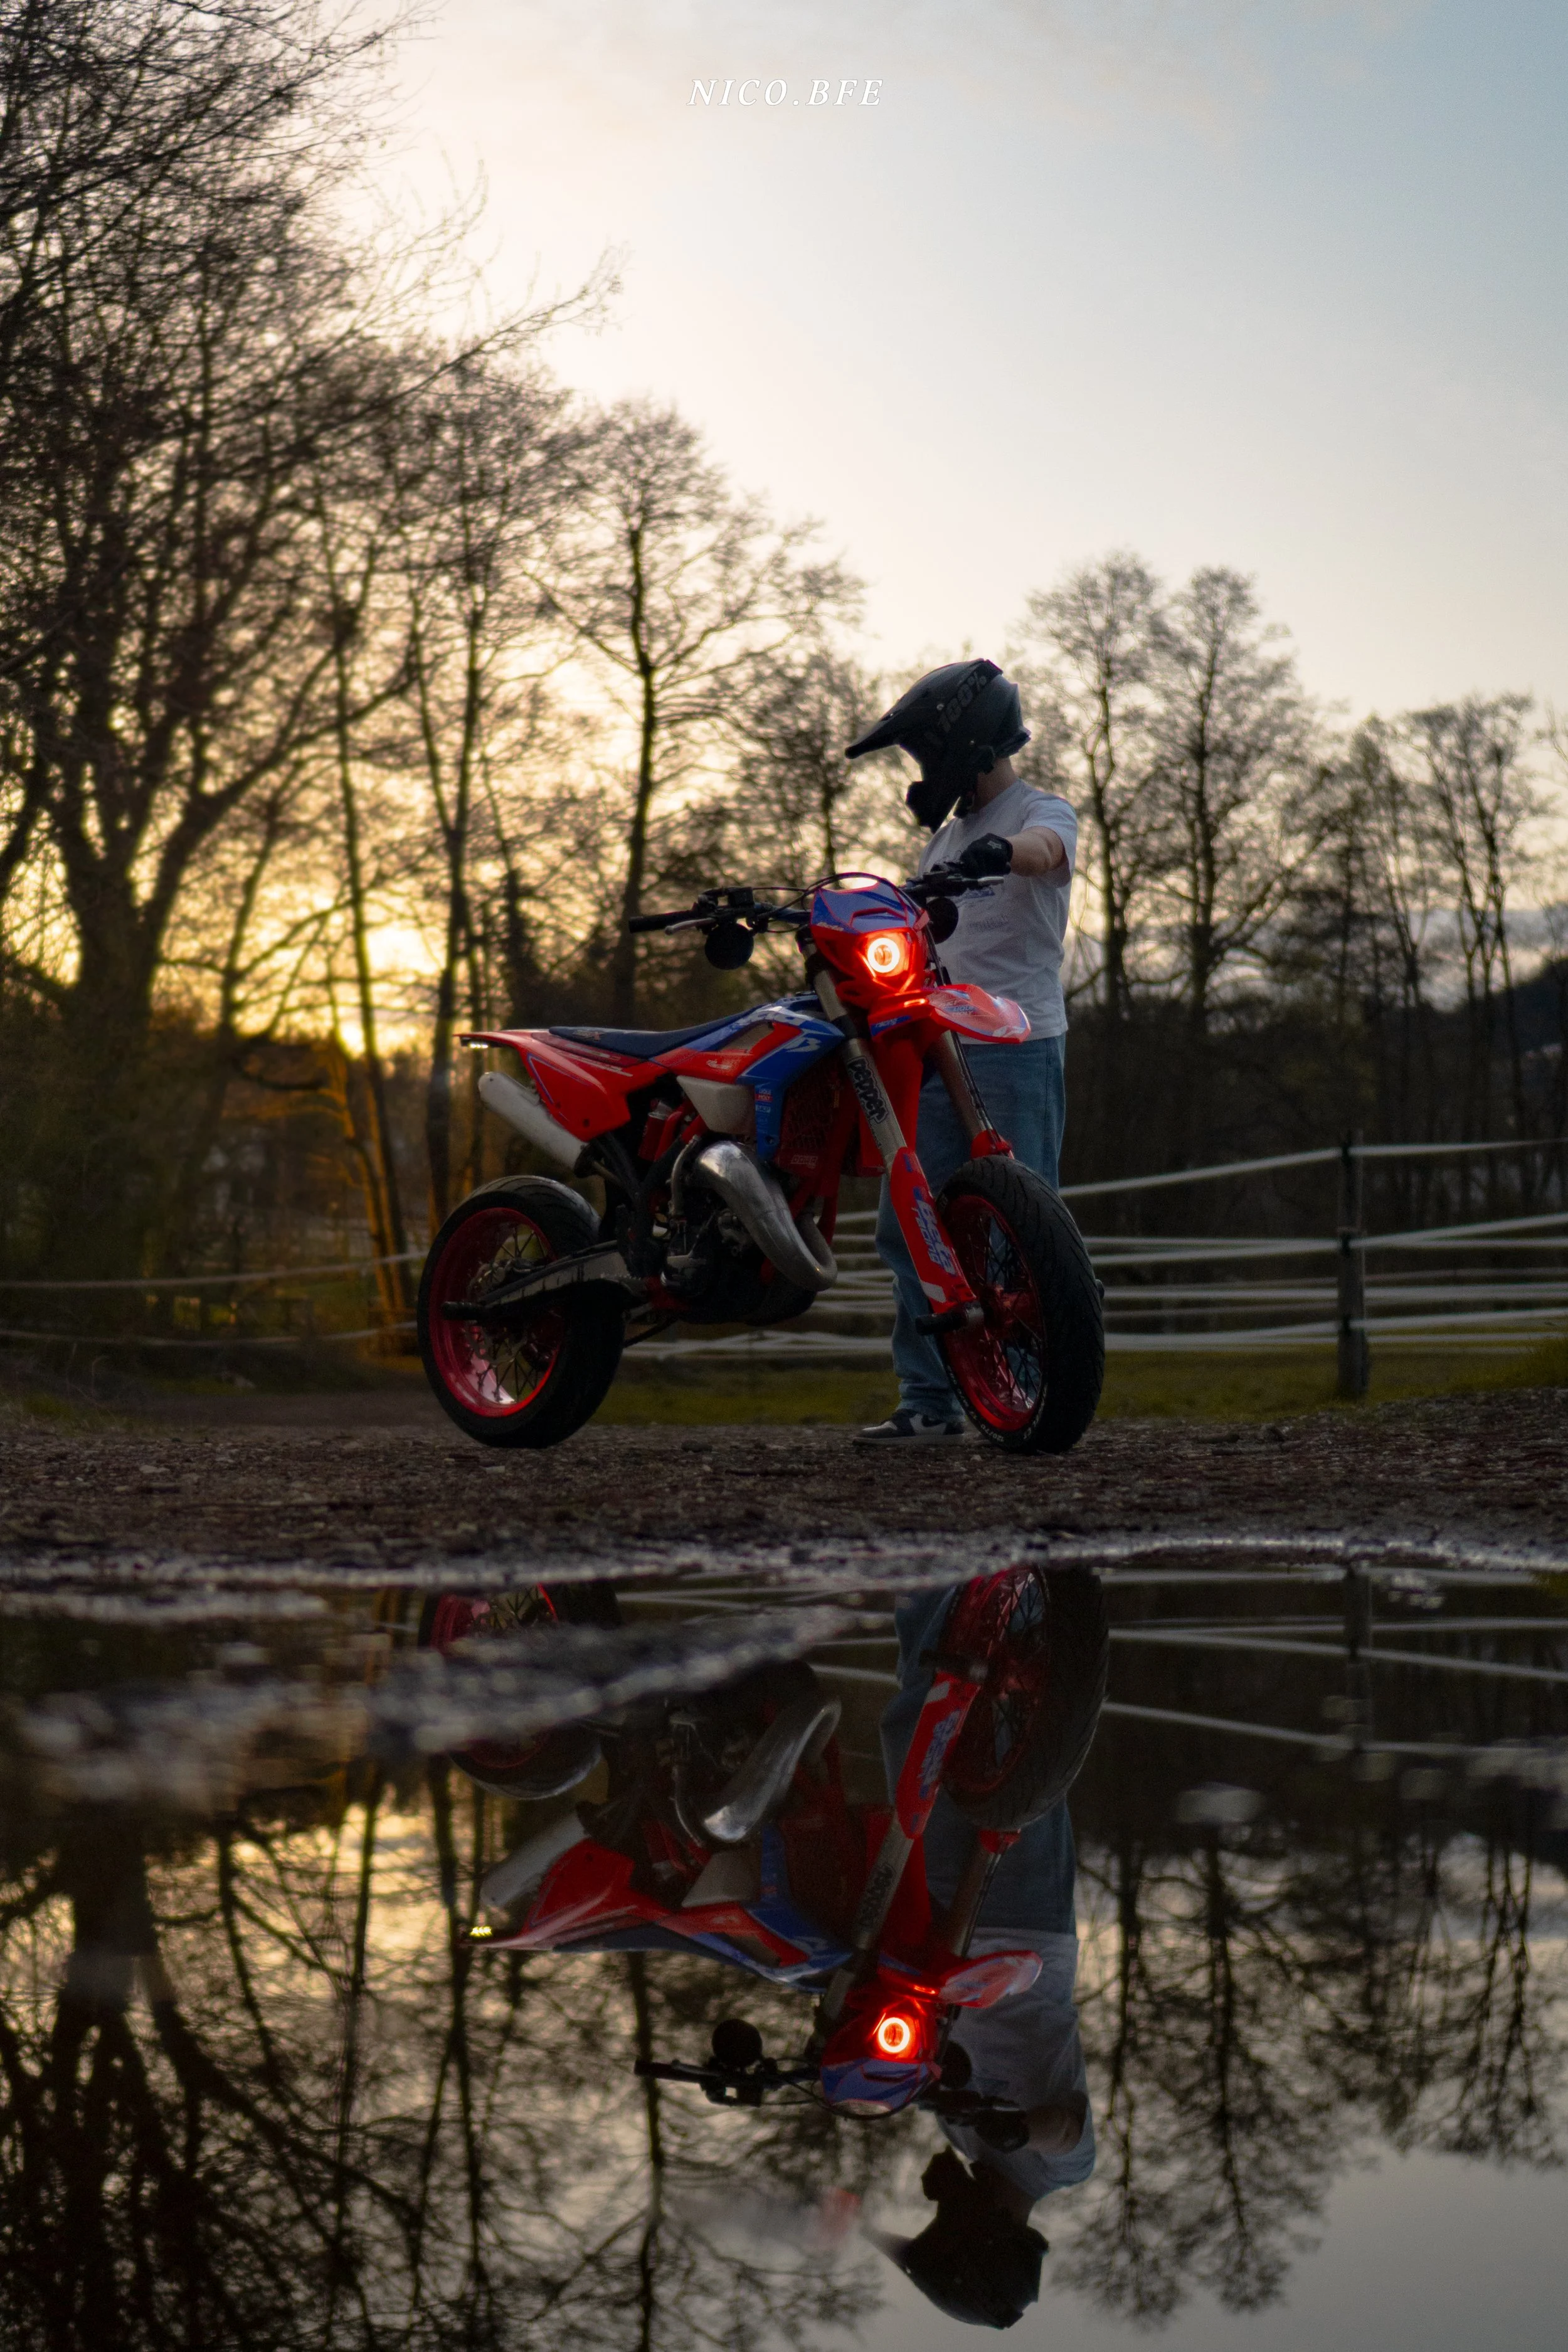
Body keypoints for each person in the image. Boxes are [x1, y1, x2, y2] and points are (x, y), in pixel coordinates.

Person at [843, 659, 1078, 1444]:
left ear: (966, 742)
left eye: (924, 752)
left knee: (1020, 1229)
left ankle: (1035, 1394)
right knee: (910, 1222)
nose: (919, 770)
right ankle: (928, 1401)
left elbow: (1045, 850)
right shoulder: (943, 838)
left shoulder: (1041, 810)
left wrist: (1003, 853)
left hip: (1014, 1043)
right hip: (930, 1042)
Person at [868, 1583, 1095, 2329]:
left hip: (945, 1934)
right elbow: (1063, 2128)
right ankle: (1030, 1597)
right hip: (1026, 1931)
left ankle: (933, 1582)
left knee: (922, 1736)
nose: (940, 2210)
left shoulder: (962, 2138)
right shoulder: (1059, 2168)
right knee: (1019, 1737)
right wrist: (1019, 2129)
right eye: (944, 2224)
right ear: (984, 2233)